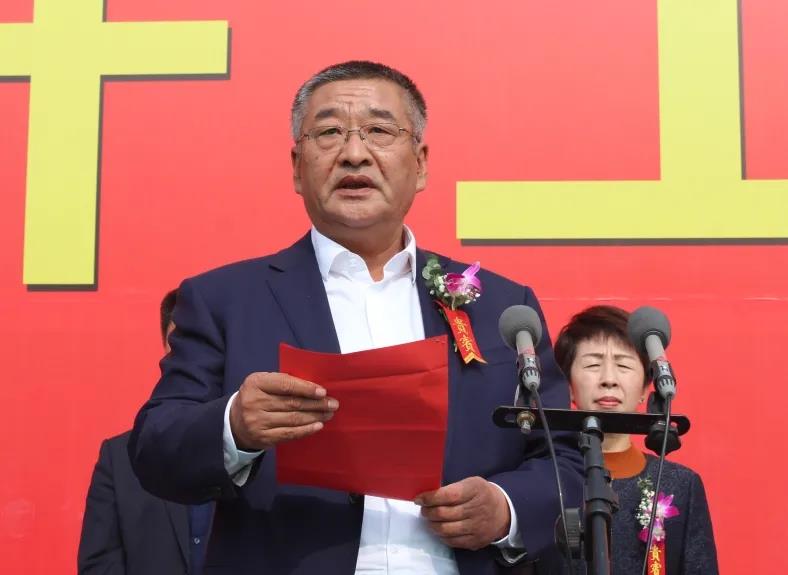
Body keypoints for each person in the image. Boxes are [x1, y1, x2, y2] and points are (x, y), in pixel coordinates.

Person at [129, 61, 583, 575]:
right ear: (297, 166)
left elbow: (566, 459)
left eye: (379, 131)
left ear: (421, 163)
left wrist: (506, 508)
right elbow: (154, 448)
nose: (354, 152)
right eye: (328, 133)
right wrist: (235, 426)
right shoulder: (225, 300)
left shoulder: (500, 305)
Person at [553, 305, 718, 574]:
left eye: (623, 365)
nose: (609, 379)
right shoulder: (546, 479)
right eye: (593, 365)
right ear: (568, 386)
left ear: (645, 388)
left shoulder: (680, 483)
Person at [78, 289, 214, 575]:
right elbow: (98, 565)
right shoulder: (119, 458)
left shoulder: (265, 454)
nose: (195, 356)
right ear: (166, 347)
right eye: (183, 342)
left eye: (206, 342)